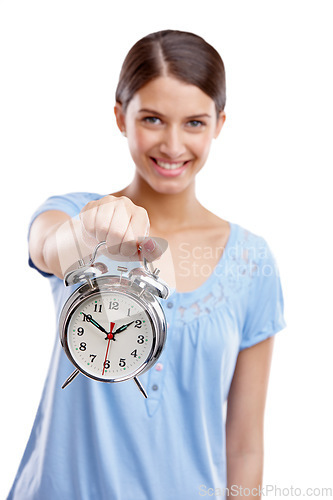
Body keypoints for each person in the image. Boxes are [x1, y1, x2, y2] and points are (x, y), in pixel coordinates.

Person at [8, 30, 286, 499]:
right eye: (153, 119)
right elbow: (48, 248)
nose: (173, 145)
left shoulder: (252, 262)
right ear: (121, 116)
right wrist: (87, 233)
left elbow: (244, 447)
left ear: (219, 123)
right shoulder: (75, 216)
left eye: (194, 123)